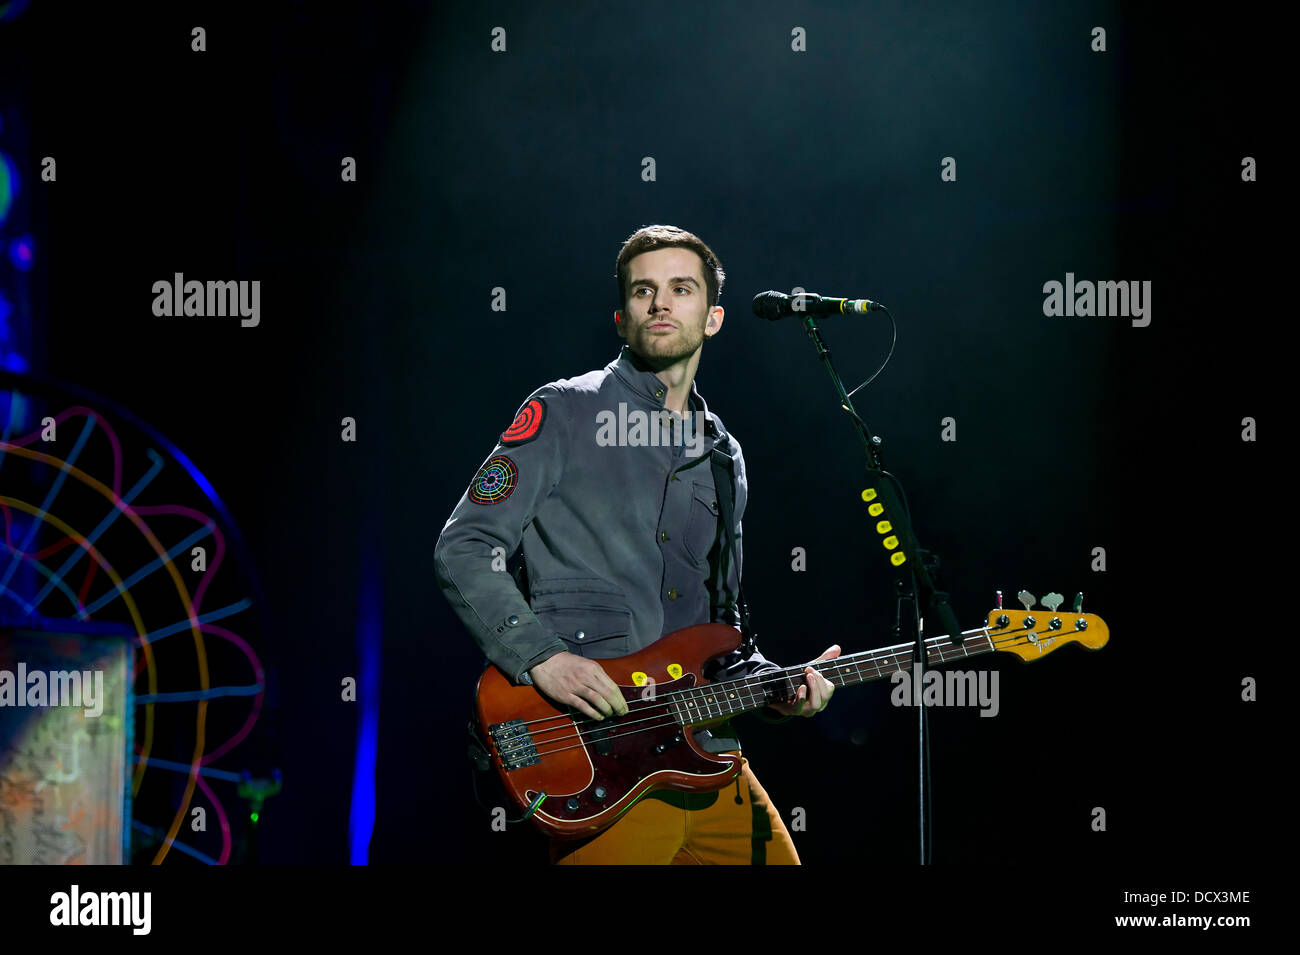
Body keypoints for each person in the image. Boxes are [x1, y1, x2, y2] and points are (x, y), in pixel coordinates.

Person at [434, 224, 838, 864]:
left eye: (682, 289)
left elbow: (720, 625)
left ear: (713, 318)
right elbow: (464, 547)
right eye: (644, 291)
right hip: (597, 751)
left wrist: (777, 687)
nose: (661, 303)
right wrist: (540, 657)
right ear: (623, 319)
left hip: (706, 745)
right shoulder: (563, 412)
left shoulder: (723, 455)